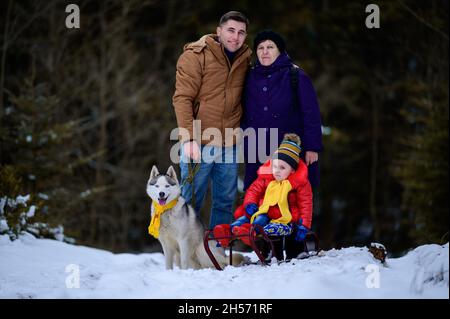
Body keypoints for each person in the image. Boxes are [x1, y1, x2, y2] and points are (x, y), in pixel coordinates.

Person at [241, 30, 323, 258]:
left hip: (289, 149)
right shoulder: (248, 76)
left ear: (280, 50)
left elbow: (311, 114)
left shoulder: (296, 76)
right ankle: (266, 246)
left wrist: (313, 147)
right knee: (260, 195)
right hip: (257, 147)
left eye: (270, 47)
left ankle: (296, 246)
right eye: (260, 48)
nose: (265, 52)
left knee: (292, 196)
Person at [172, 11, 252, 229]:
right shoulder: (196, 56)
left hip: (230, 144)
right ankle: (186, 258)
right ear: (219, 31)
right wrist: (188, 139)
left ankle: (218, 253)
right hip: (199, 142)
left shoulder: (245, 59)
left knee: (225, 202)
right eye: (231, 30)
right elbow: (182, 98)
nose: (235, 37)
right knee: (190, 203)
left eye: (241, 32)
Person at [213, 133, 313, 260]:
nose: (276, 171)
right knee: (249, 218)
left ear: (292, 170)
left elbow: (306, 204)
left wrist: (304, 225)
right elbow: (253, 190)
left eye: (282, 168)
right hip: (265, 212)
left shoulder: (300, 183)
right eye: (275, 166)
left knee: (268, 228)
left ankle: (274, 247)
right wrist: (250, 203)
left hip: (288, 218)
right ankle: (229, 230)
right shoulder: (267, 178)